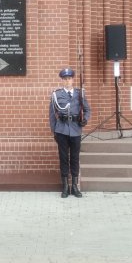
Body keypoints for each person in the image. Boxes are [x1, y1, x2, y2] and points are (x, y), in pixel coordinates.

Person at [49, 68, 91, 198]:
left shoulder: (80, 94)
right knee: (63, 158)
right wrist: (54, 131)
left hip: (76, 129)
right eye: (65, 79)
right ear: (62, 80)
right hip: (61, 130)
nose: (67, 81)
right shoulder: (56, 95)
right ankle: (65, 187)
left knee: (74, 158)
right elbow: (51, 115)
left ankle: (74, 186)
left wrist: (85, 120)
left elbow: (88, 110)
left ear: (73, 79)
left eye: (69, 78)